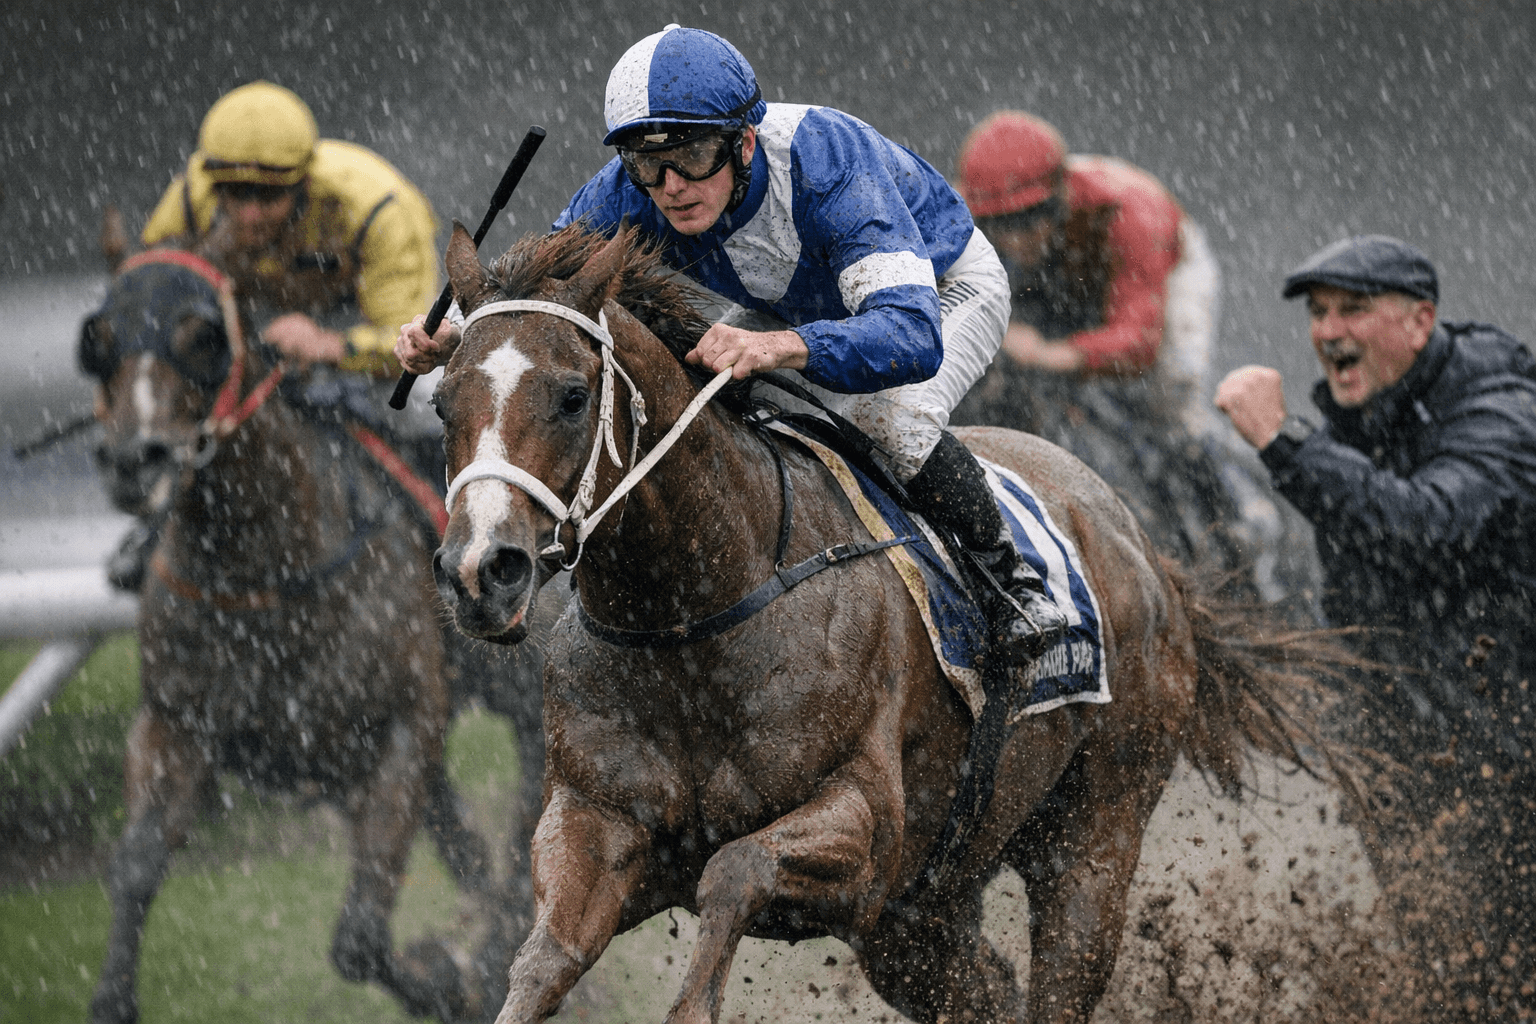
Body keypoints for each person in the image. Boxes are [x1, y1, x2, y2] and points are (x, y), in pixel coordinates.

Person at [396, 24, 1067, 662]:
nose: (670, 188)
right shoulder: (628, 192)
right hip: (783, 304)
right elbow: (546, 314)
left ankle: (1012, 584)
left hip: (939, 292)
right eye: (648, 165)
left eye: (689, 157)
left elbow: (912, 339)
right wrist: (457, 340)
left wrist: (781, 348)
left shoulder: (828, 163)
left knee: (886, 416)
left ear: (744, 143)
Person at [1216, 235, 1536, 1020]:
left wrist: (1285, 442)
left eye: (1352, 309)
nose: (1327, 330)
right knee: (1447, 964)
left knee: (1499, 961)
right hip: (1411, 737)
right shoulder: (1359, 417)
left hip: (1511, 741)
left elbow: (1428, 528)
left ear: (1420, 322)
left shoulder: (1502, 407)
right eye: (1319, 313)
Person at [108, 80, 442, 589]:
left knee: (423, 401)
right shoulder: (191, 201)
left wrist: (331, 346)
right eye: (233, 194)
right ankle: (157, 526)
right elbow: (150, 302)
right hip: (254, 331)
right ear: (210, 181)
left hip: (375, 330)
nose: (247, 213)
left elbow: (414, 347)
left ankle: (445, 536)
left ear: (304, 181)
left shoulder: (381, 209)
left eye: (267, 196)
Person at [949, 110, 1292, 595]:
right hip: (1066, 271)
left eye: (1030, 219)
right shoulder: (965, 216)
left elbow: (1138, 344)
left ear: (1064, 193)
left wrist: (1048, 353)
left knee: (1166, 404)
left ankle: (1242, 522)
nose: (1015, 238)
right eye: (998, 224)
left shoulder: (1133, 213)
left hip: (1157, 280)